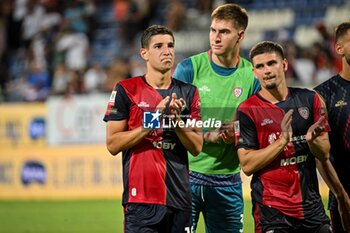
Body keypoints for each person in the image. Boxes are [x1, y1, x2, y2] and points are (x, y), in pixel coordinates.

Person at [235, 40, 350, 233]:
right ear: (254, 72)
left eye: (272, 63)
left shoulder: (310, 99)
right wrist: (281, 142)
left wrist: (314, 144)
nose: (267, 70)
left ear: (285, 65)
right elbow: (247, 165)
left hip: (312, 211)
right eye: (260, 66)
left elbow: (324, 155)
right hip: (272, 214)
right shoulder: (247, 110)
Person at [103, 25, 203, 233]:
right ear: (144, 53)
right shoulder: (126, 90)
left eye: (170, 46)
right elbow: (113, 144)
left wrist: (176, 121)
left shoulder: (189, 92)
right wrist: (153, 120)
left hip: (179, 200)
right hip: (140, 201)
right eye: (158, 46)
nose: (167, 51)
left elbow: (196, 147)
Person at [173, 3, 260, 233]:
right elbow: (170, 122)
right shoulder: (189, 69)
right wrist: (209, 132)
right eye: (213, 30)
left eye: (224, 32)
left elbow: (260, 128)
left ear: (240, 35)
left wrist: (238, 131)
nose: (216, 37)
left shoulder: (252, 77)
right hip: (185, 179)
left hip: (227, 181)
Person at [314, 22, 350, 233]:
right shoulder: (324, 94)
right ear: (339, 48)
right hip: (343, 198)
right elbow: (321, 155)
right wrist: (340, 194)